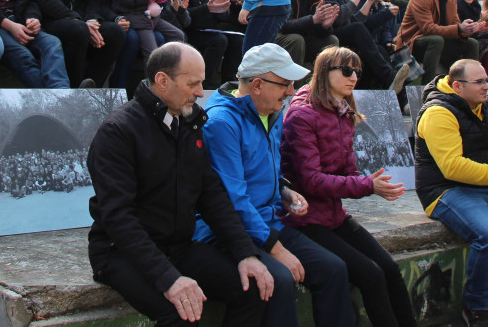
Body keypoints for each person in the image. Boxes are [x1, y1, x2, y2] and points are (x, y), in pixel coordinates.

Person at [87, 43, 274, 326]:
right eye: (193, 83)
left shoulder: (188, 122)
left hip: (179, 247)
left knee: (252, 289)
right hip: (120, 254)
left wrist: (245, 252)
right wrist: (168, 278)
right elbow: (119, 219)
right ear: (163, 81)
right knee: (182, 314)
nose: (201, 92)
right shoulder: (118, 132)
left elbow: (212, 196)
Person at [195, 43, 356, 327]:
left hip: (270, 222)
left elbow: (269, 168)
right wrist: (277, 250)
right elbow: (233, 200)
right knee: (280, 281)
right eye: (285, 84)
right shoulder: (222, 123)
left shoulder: (271, 110)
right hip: (233, 231)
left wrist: (283, 189)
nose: (292, 92)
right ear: (257, 84)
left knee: (334, 269)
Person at [282, 46, 418, 327]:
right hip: (305, 220)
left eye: (357, 71)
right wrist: (367, 184)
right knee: (371, 274)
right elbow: (311, 180)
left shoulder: (342, 110)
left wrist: (370, 181)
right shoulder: (302, 115)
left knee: (390, 269)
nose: (353, 77)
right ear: (324, 72)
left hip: (333, 215)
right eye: (346, 70)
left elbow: (345, 170)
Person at [414, 59, 488, 327]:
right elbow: (453, 168)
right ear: (457, 86)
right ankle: (476, 306)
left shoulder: (483, 106)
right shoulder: (438, 113)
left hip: (483, 188)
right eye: (480, 82)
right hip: (445, 191)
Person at [322, 0, 410, 91]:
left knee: (380, 49)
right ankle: (389, 76)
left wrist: (369, 0)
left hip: (343, 34)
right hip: (327, 36)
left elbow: (354, 19)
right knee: (358, 30)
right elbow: (338, 19)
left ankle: (396, 95)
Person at [394, 0, 484, 85]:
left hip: (438, 41)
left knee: (472, 43)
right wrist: (458, 29)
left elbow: (455, 24)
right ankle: (427, 86)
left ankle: (470, 84)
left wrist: (466, 30)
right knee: (436, 40)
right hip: (412, 42)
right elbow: (427, 29)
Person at [276, 0, 340, 69]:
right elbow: (283, 25)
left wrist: (325, 27)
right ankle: (293, 83)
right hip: (275, 37)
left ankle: (322, 82)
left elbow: (317, 29)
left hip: (301, 39)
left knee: (332, 40)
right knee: (296, 39)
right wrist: (313, 20)